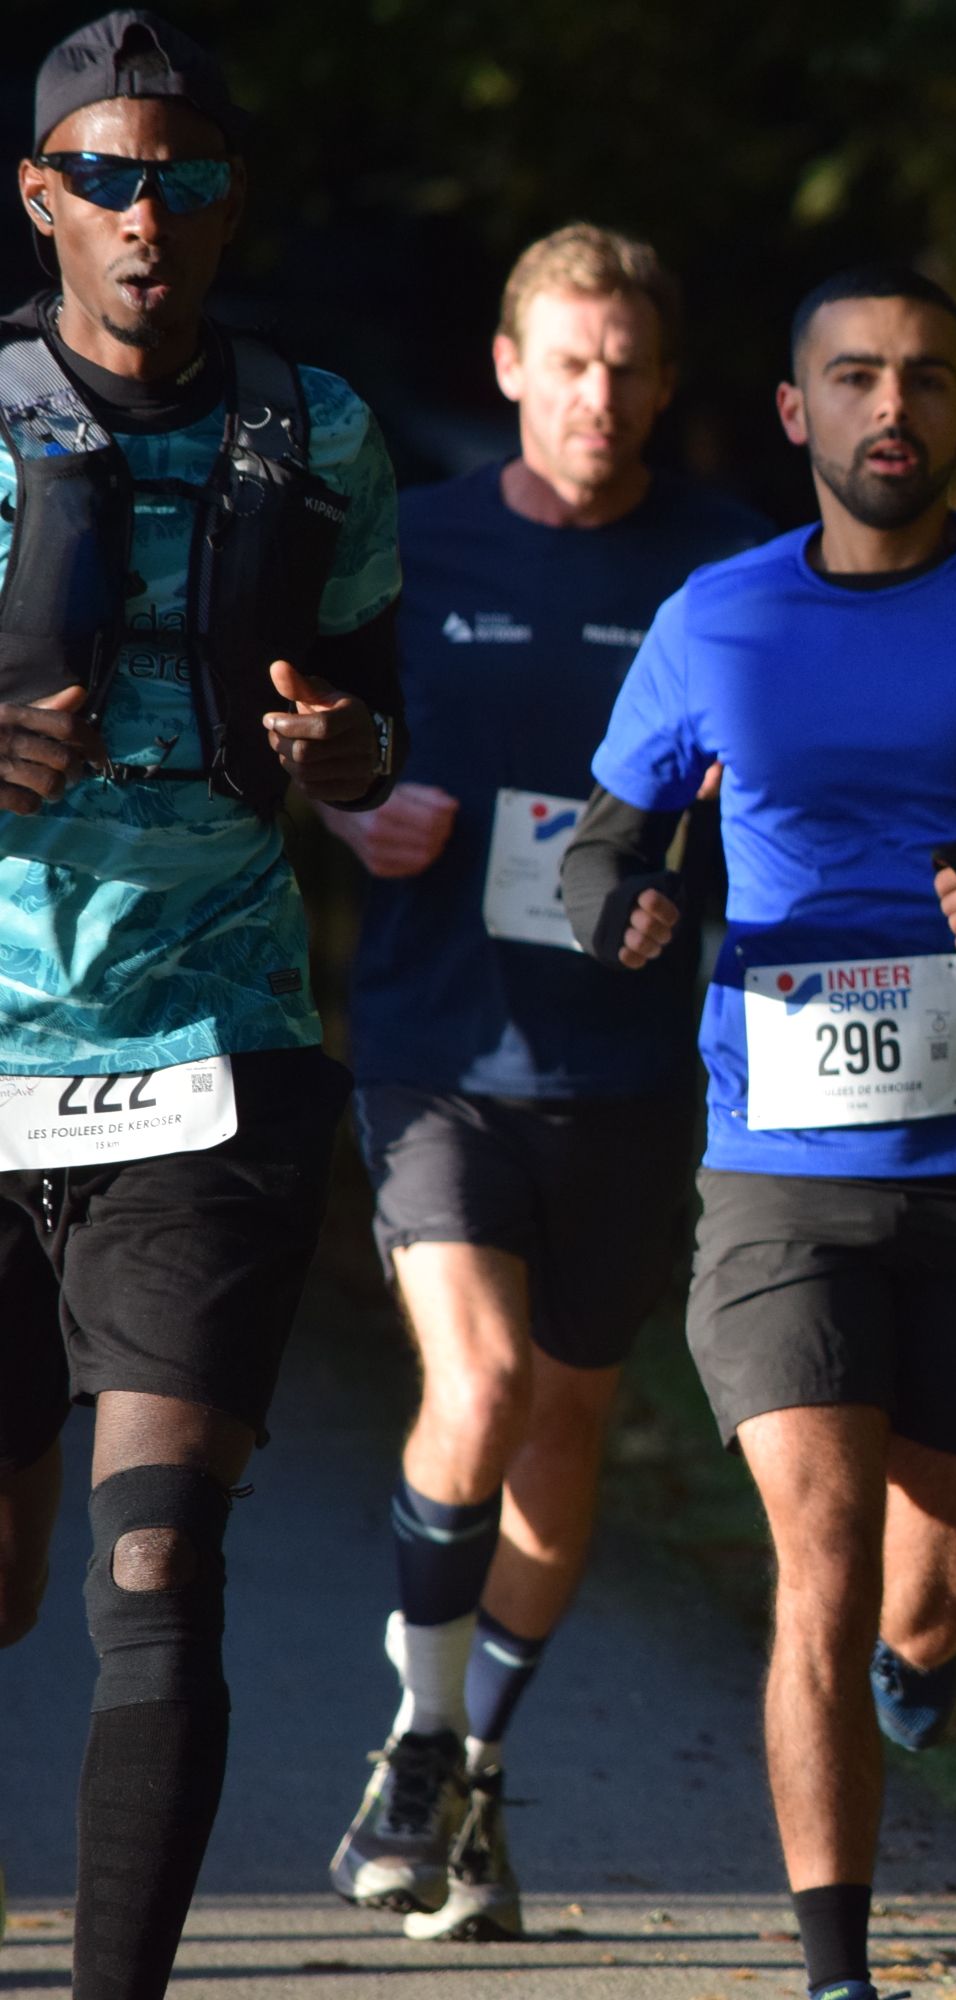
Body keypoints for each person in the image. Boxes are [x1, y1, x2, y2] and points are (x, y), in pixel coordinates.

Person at [560, 262, 956, 2000]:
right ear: (797, 412)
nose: (891, 405)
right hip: (778, 1170)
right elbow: (599, 844)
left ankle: (934, 1659)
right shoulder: (717, 616)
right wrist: (621, 904)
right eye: (854, 375)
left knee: (926, 1603)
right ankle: (836, 1970)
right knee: (823, 1570)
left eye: (925, 376)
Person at [0, 13, 410, 1998]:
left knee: (155, 1560)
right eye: (106, 176)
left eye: (183, 179)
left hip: (211, 1052)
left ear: (229, 205)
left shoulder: (320, 434)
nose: (145, 216)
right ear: (41, 198)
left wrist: (346, 751)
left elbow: (377, 710)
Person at [317, 223, 768, 1939]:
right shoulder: (412, 546)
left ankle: (472, 1770)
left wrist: (705, 864)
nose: (600, 395)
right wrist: (349, 811)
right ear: (510, 367)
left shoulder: (728, 565)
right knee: (486, 1379)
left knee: (566, 1424)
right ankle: (420, 1742)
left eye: (629, 366)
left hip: (634, 1063)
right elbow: (293, 732)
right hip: (439, 1045)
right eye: (570, 361)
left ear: (667, 382)